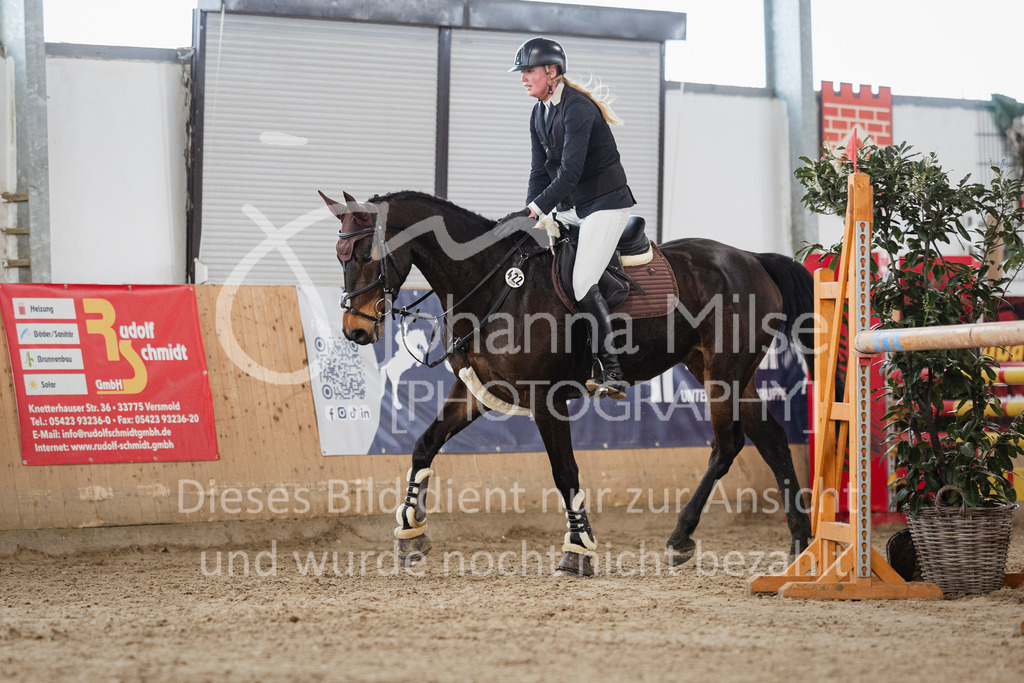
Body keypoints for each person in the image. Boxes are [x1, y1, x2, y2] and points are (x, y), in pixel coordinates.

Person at [509, 37, 635, 399]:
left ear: (552, 72)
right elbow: (539, 173)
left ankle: (612, 370)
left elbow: (569, 175)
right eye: (522, 72)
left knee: (581, 282)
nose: (523, 78)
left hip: (606, 204)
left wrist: (537, 209)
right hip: (576, 207)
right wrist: (527, 211)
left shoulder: (578, 109)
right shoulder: (539, 112)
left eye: (528, 71)